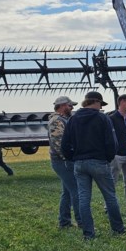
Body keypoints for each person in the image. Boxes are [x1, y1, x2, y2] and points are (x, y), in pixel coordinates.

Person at [61, 91, 126, 240]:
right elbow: (112, 143)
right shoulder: (103, 118)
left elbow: (65, 145)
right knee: (110, 197)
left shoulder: (73, 119)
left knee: (84, 199)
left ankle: (88, 233)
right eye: (100, 104)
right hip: (99, 161)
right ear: (96, 102)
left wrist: (73, 158)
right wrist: (107, 158)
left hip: (79, 163)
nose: (100, 107)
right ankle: (118, 228)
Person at [48, 95, 82, 229]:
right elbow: (58, 143)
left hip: (64, 161)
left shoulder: (62, 119)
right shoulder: (57, 121)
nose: (72, 108)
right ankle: (82, 223)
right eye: (70, 105)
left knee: (67, 192)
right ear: (62, 106)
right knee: (77, 191)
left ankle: (65, 222)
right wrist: (69, 158)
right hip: (64, 162)